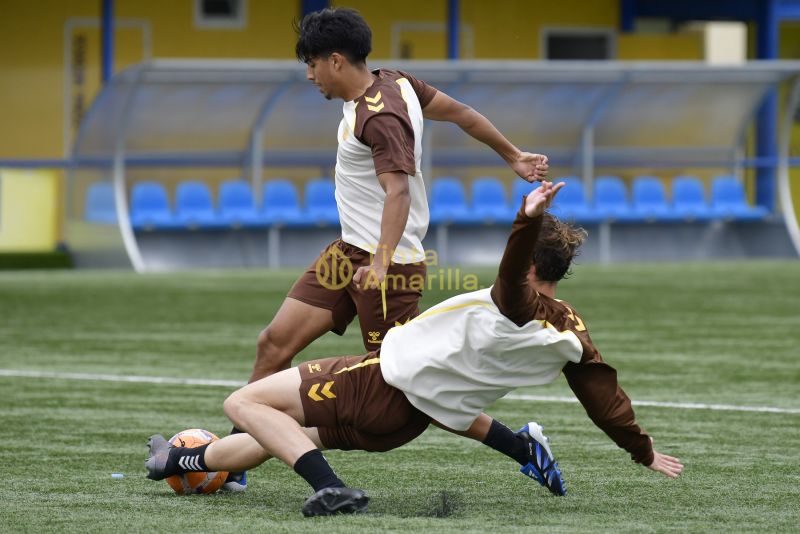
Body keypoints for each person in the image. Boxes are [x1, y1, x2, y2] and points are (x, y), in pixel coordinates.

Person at [146, 181, 684, 516]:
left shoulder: (512, 301)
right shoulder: (571, 334)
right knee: (277, 436)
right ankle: (175, 460)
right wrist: (642, 450)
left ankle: (329, 488)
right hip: (407, 423)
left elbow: (511, 272)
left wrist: (526, 219)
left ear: (525, 269)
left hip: (379, 383)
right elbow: (604, 399)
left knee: (244, 406)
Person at [224, 7, 549, 490]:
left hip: (387, 266)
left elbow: (397, 192)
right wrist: (514, 155)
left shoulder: (382, 115)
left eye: (312, 64)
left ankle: (521, 447)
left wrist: (379, 263)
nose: (309, 75)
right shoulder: (397, 82)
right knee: (273, 343)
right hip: (346, 255)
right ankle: (231, 463)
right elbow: (461, 114)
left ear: (336, 60)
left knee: (409, 385)